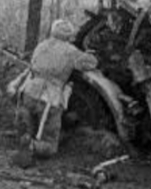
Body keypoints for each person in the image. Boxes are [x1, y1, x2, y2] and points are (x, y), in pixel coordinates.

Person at [15, 19, 98, 161]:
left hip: (29, 93)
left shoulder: (41, 45)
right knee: (50, 144)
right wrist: (91, 55)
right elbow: (90, 64)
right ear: (69, 35)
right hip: (49, 99)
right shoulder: (71, 51)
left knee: (29, 127)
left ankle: (26, 139)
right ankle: (33, 146)